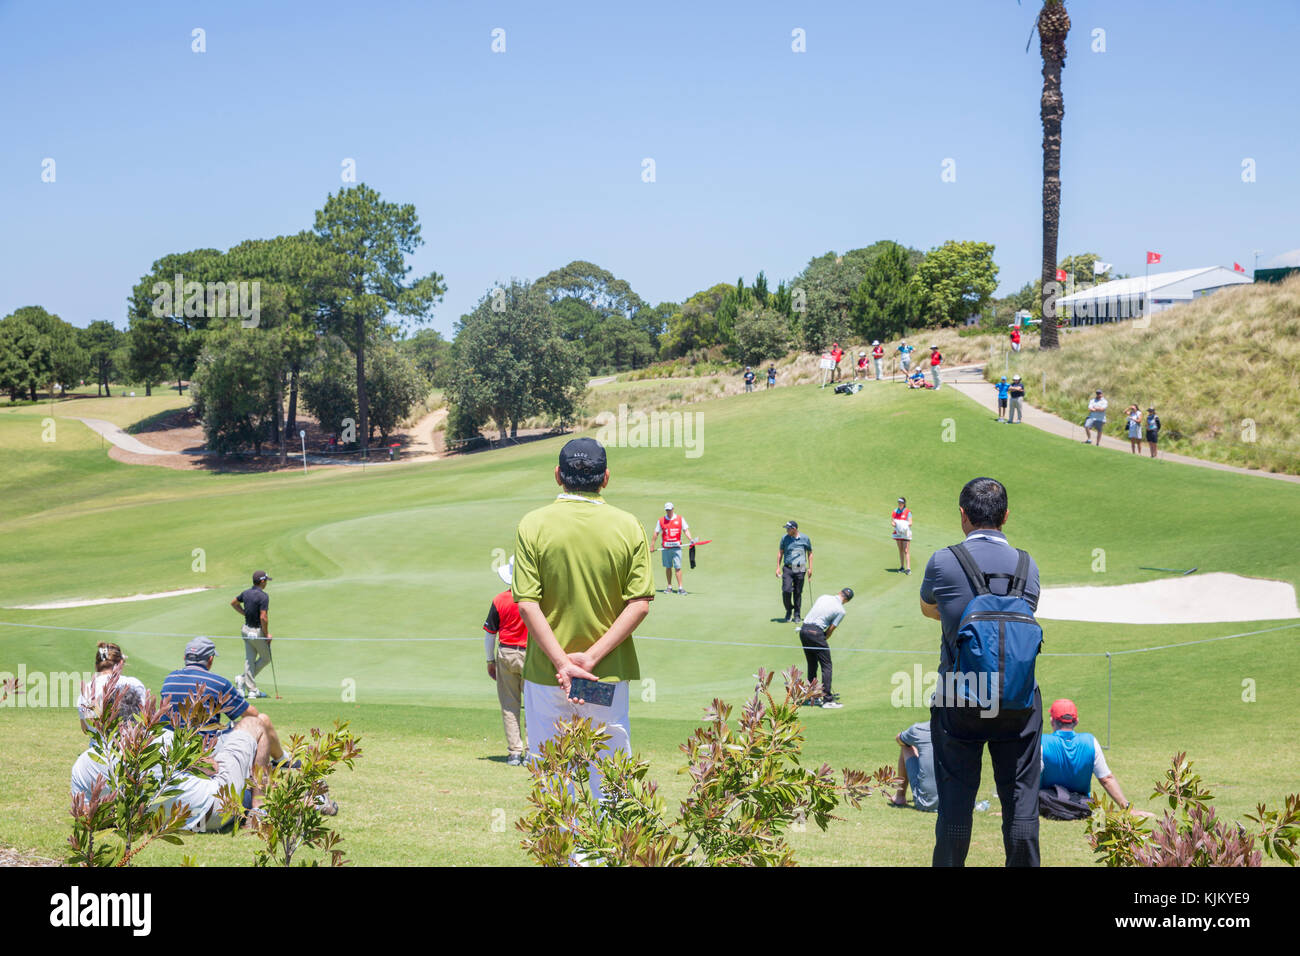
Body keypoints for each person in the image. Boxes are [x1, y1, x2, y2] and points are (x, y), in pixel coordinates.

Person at [511, 438, 654, 798]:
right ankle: (601, 855)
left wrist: (563, 663)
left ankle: (564, 855)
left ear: (558, 475)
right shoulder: (629, 525)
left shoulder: (533, 524)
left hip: (547, 676)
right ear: (606, 477)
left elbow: (527, 604)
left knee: (552, 779)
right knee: (608, 778)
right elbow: (639, 603)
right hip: (602, 675)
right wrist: (588, 660)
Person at [920, 477, 1043, 867]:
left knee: (956, 805)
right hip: (1019, 702)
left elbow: (928, 607)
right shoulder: (1028, 564)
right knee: (1021, 802)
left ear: (962, 516)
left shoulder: (943, 560)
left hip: (961, 697)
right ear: (1006, 516)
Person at [160, 637, 288, 766]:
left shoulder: (168, 679)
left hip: (172, 749)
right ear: (210, 659)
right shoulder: (218, 683)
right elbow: (252, 714)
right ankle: (281, 762)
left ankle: (280, 761)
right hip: (205, 750)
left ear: (185, 658)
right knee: (262, 719)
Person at [1039, 699, 1139, 820]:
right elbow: (1106, 779)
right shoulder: (1090, 741)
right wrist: (1127, 808)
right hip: (1081, 805)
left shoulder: (1042, 742)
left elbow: (1030, 778)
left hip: (1050, 804)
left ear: (1052, 721)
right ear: (1076, 722)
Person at [484, 559, 529, 767]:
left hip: (506, 653)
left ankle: (514, 753)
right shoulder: (535, 600)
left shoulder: (500, 600)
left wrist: (490, 660)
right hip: (531, 656)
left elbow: (490, 635)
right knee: (532, 705)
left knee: (509, 705)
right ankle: (531, 751)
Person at [797, 588, 853, 708]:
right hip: (816, 632)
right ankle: (827, 700)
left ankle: (811, 697)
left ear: (839, 592)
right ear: (847, 601)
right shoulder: (841, 611)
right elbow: (830, 630)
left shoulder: (823, 596)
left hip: (803, 630)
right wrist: (822, 639)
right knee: (826, 666)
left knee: (812, 664)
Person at [76, 642, 148, 734]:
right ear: (121, 663)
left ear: (96, 665)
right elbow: (144, 719)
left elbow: (86, 729)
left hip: (99, 746)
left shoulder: (87, 689)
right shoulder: (134, 684)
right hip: (131, 746)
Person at [231, 570, 273, 699]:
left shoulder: (246, 593)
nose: (266, 582)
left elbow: (234, 603)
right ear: (262, 581)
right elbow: (263, 617)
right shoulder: (263, 596)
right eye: (265, 580)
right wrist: (266, 635)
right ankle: (251, 689)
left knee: (249, 660)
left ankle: (243, 682)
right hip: (256, 632)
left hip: (245, 630)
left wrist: (245, 613)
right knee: (266, 658)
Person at [891, 721, 939, 812]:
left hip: (927, 804)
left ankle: (900, 796)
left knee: (905, 744)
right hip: (960, 805)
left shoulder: (919, 729)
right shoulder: (960, 729)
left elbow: (899, 739)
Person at [653, 501, 696, 594]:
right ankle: (669, 587)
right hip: (666, 548)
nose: (668, 511)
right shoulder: (661, 520)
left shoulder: (680, 519)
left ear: (673, 509)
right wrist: (652, 545)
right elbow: (656, 533)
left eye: (670, 510)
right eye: (667, 510)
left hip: (677, 547)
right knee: (668, 567)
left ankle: (680, 588)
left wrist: (691, 539)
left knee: (678, 567)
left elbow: (686, 530)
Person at [776, 520, 813, 623]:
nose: (786, 530)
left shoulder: (805, 538)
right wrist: (778, 567)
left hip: (800, 568)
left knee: (798, 592)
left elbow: (810, 553)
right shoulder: (785, 538)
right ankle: (789, 610)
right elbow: (780, 552)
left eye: (788, 528)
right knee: (786, 590)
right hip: (788, 567)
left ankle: (797, 614)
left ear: (794, 529)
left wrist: (810, 568)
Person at [891, 497, 913, 574]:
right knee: (900, 549)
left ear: (904, 504)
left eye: (901, 503)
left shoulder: (907, 512)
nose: (900, 504)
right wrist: (896, 525)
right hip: (898, 533)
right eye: (899, 503)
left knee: (906, 550)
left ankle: (908, 568)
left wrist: (903, 526)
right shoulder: (895, 511)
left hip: (906, 533)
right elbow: (893, 522)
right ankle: (902, 567)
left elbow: (910, 522)